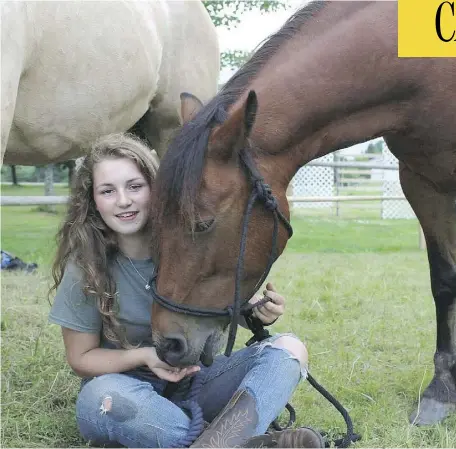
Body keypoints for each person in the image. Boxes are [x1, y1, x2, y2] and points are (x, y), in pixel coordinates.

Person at [48, 133, 324, 448]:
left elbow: (225, 306)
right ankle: (234, 440)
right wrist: (145, 356)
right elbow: (80, 358)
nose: (123, 200)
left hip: (196, 382)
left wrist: (258, 310)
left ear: (157, 189)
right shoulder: (86, 266)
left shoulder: (189, 248)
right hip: (127, 390)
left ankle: (217, 442)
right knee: (101, 397)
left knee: (290, 349)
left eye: (135, 186)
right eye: (108, 191)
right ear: (93, 199)